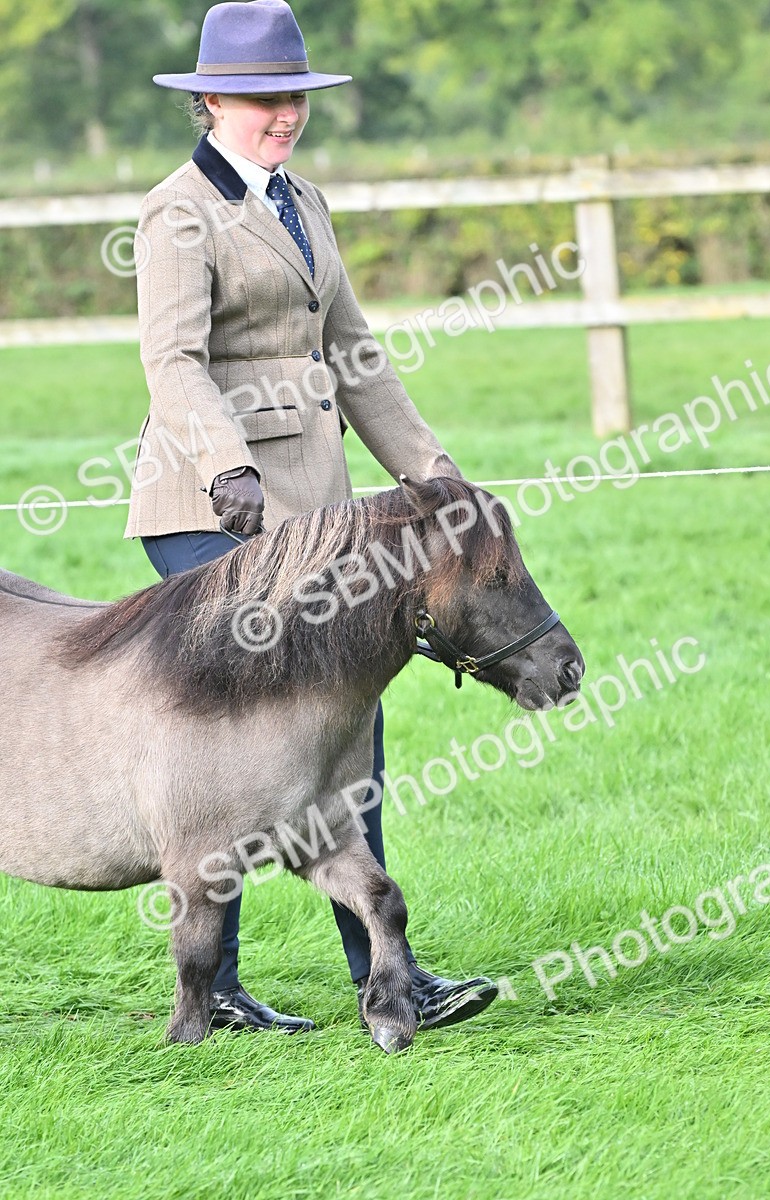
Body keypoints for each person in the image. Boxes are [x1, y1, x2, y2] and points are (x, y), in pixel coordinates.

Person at [123, 0, 498, 1037]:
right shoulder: (177, 214)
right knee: (230, 749)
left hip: (317, 514)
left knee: (349, 729)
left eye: (290, 95)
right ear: (209, 101)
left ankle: (387, 974)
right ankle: (218, 986)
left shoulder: (303, 202)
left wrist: (436, 474)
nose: (280, 113)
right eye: (258, 97)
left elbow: (357, 359)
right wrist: (225, 461)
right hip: (214, 508)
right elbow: (173, 362)